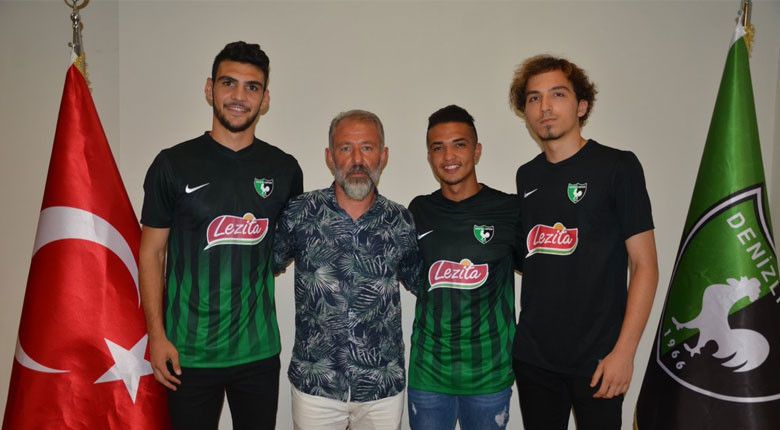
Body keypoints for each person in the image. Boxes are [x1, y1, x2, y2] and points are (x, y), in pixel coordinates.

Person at [139, 41, 303, 430]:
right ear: (209, 89)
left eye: (252, 87)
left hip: (258, 354)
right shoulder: (173, 164)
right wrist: (156, 336)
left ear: (264, 99)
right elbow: (151, 253)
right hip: (186, 353)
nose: (239, 96)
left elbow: (287, 247)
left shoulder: (284, 169)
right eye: (229, 83)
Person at [508, 54, 659, 429]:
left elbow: (645, 265)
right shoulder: (527, 176)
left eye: (557, 94)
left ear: (582, 105)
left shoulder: (618, 167)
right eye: (534, 98)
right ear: (525, 111)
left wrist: (625, 352)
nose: (545, 107)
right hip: (534, 359)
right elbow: (534, 259)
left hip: (600, 360)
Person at [273, 109, 422, 430]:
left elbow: (423, 283)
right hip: (316, 385)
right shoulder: (301, 212)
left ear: (383, 156)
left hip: (381, 387)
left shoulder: (400, 220)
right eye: (345, 148)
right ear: (330, 157)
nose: (357, 160)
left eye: (367, 148)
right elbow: (262, 266)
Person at [406, 105, 521, 430]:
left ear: (476, 150)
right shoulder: (419, 210)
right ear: (429, 157)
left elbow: (543, 273)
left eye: (459, 144)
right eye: (438, 148)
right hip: (428, 375)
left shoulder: (509, 209)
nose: (448, 156)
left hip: (489, 376)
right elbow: (413, 276)